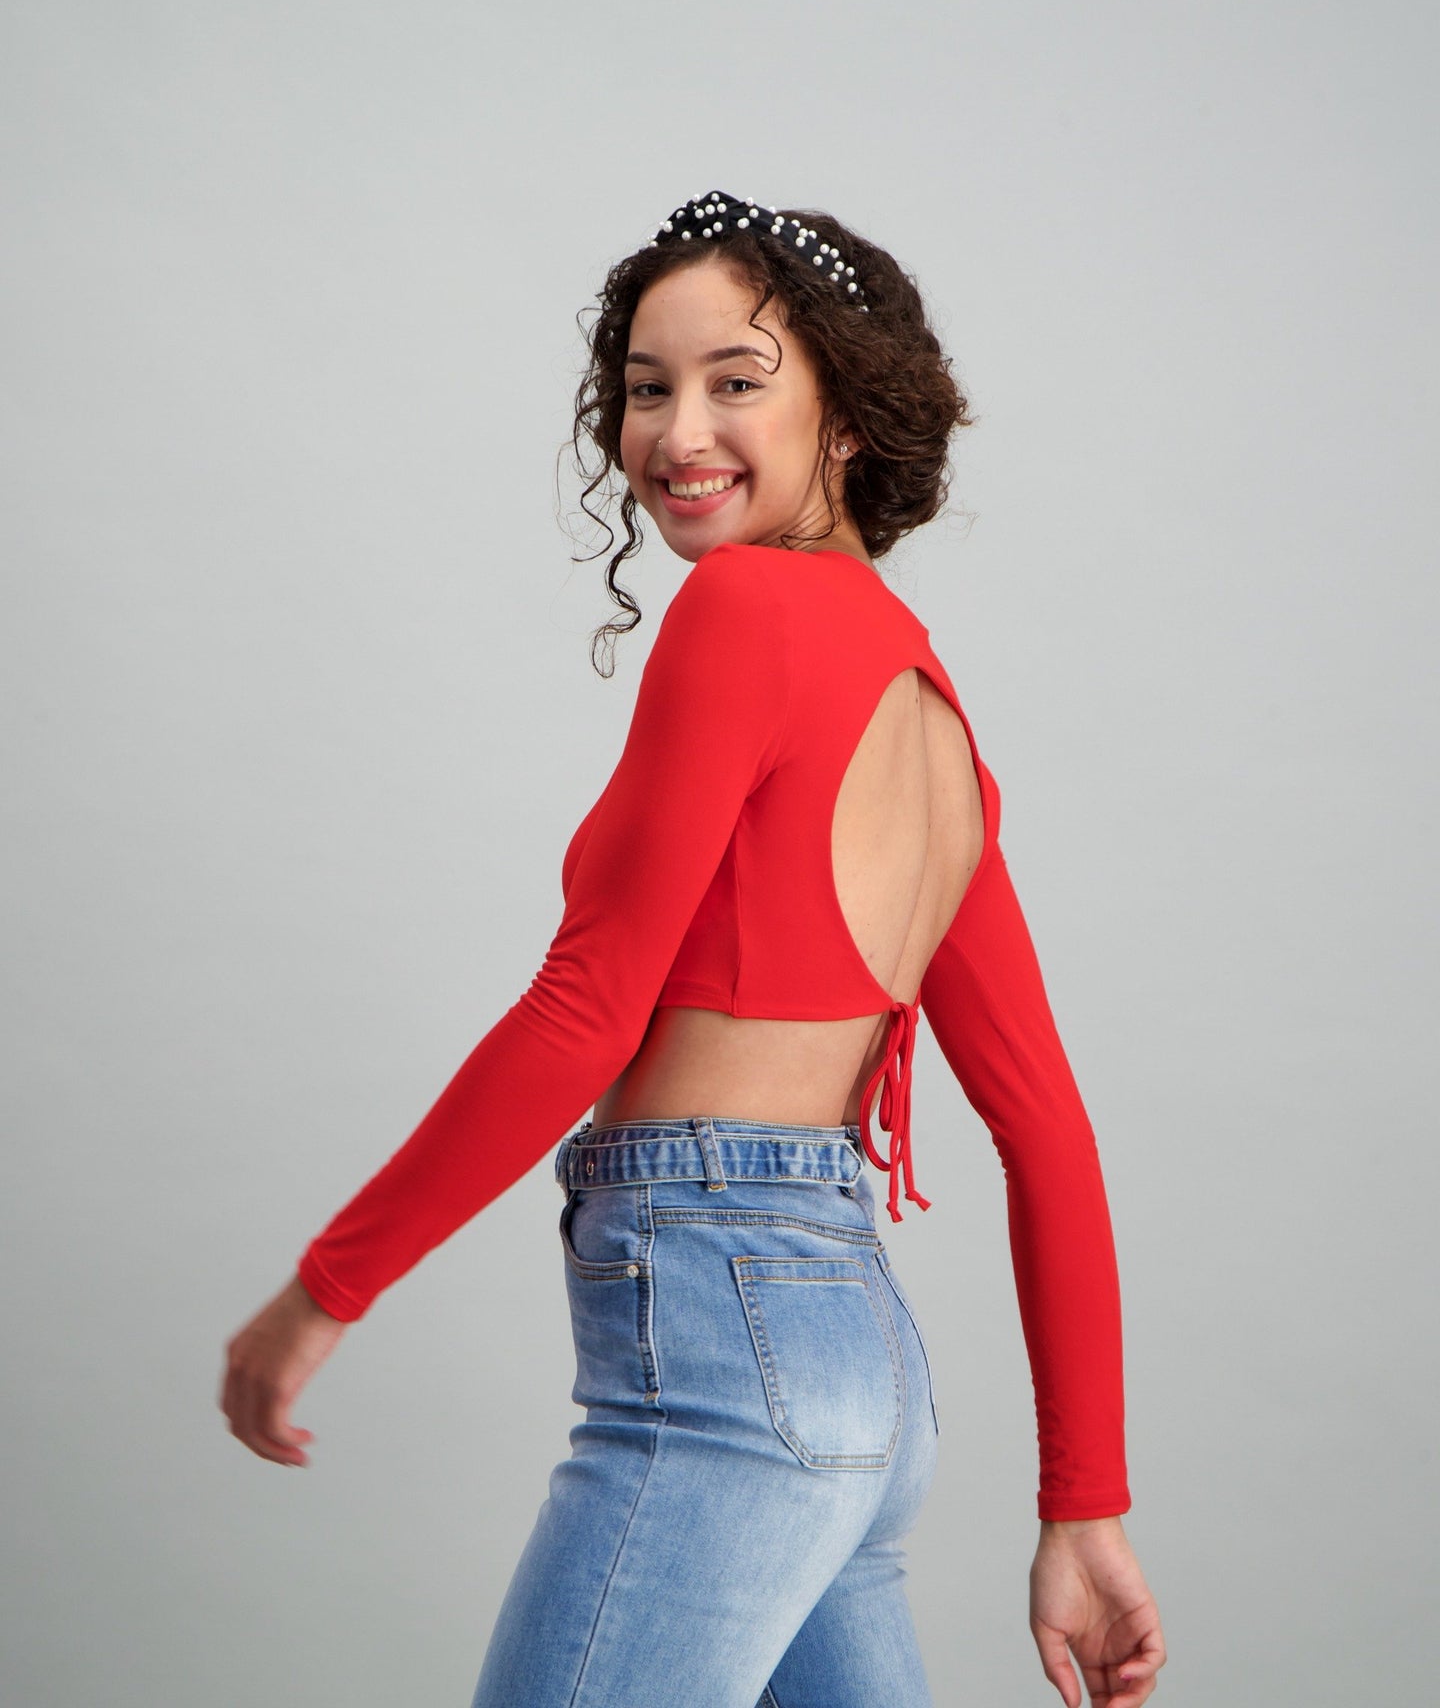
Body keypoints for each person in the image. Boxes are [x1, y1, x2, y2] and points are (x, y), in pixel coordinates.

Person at [219, 190, 1167, 1708]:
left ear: (843, 414)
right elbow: (1047, 1126)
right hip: (856, 1365)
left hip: (729, 1354)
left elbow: (588, 1008)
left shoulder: (745, 610)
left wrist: (326, 1288)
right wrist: (1085, 1507)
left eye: (736, 381)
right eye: (647, 388)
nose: (678, 432)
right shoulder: (931, 709)